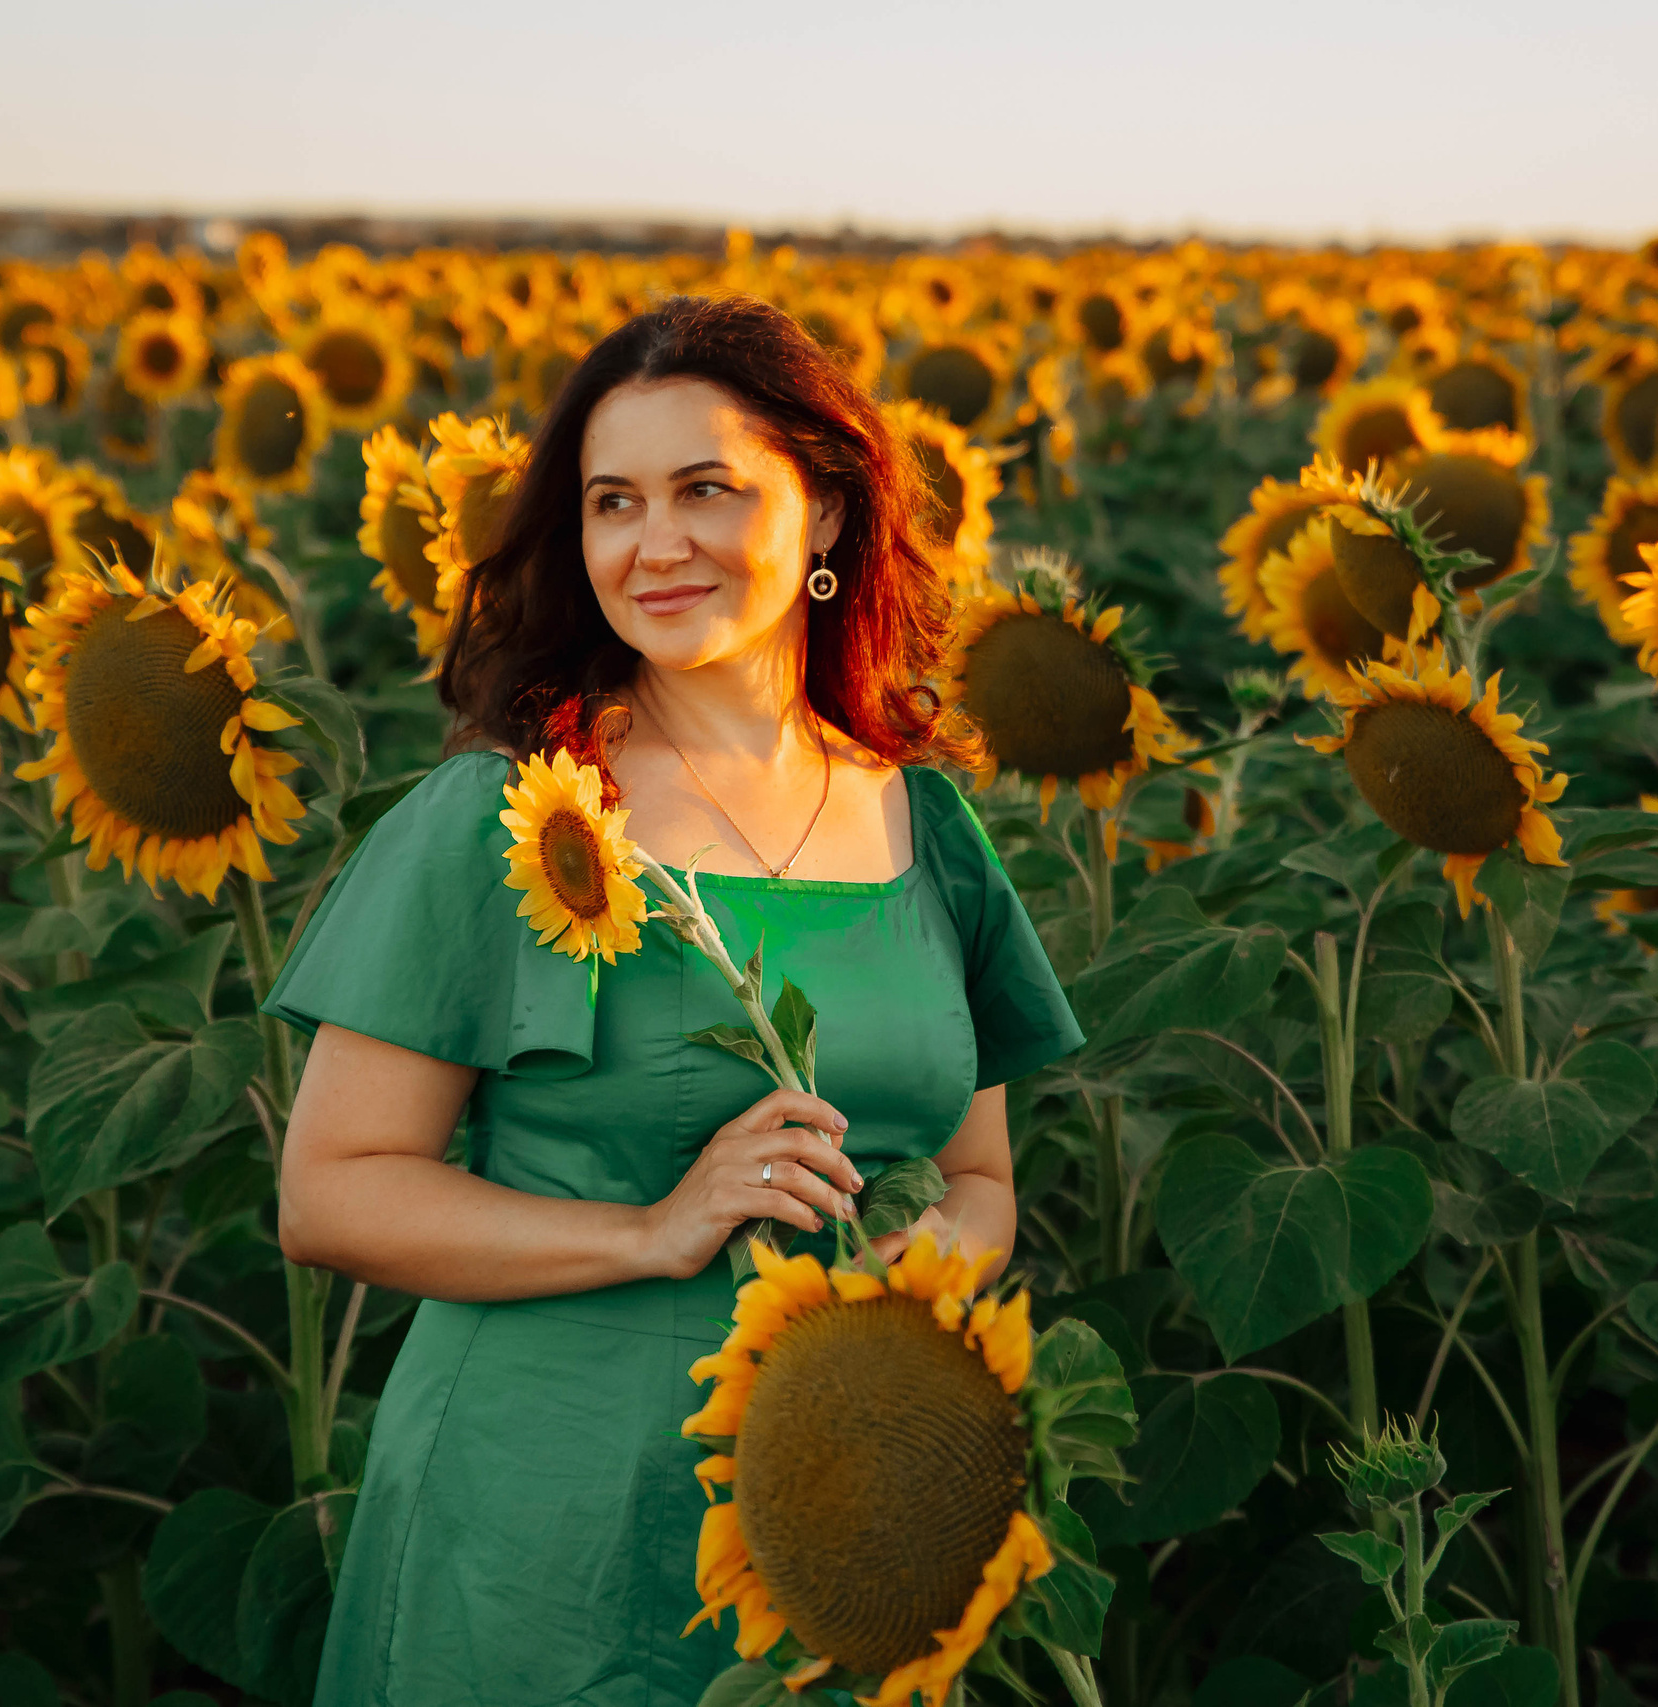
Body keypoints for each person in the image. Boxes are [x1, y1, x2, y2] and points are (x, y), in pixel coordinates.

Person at [268, 294, 1083, 1707]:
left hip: (842, 1524)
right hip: (542, 1522)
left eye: (708, 489)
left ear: (825, 512)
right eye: (613, 502)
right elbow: (333, 1192)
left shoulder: (924, 825)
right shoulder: (520, 820)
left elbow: (981, 1178)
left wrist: (932, 1264)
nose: (656, 545)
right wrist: (653, 1230)